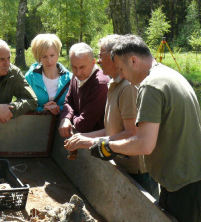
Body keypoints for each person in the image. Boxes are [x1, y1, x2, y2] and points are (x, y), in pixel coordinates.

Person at [91, 35, 201, 222]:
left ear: (133, 60)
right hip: (189, 178)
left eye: (121, 69)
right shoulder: (166, 74)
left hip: (186, 184)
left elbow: (144, 144)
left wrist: (108, 146)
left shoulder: (150, 86)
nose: (122, 75)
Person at [64, 35, 159, 199]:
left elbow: (132, 133)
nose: (99, 61)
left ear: (115, 57)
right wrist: (84, 137)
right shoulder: (114, 83)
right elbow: (112, 130)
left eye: (101, 55)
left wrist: (92, 142)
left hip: (136, 170)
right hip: (121, 163)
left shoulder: (127, 87)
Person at [58, 43, 110, 137]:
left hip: (97, 142)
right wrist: (65, 118)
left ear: (93, 62)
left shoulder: (100, 84)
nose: (78, 72)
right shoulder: (76, 76)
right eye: (74, 67)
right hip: (80, 139)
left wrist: (70, 117)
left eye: (82, 67)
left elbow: (84, 125)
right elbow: (68, 101)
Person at [25, 34, 72, 115]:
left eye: (52, 55)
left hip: (63, 124)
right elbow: (25, 105)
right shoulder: (30, 77)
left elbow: (74, 106)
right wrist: (42, 109)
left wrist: (58, 108)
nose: (49, 61)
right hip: (35, 124)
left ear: (58, 53)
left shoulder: (70, 78)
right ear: (38, 57)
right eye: (44, 56)